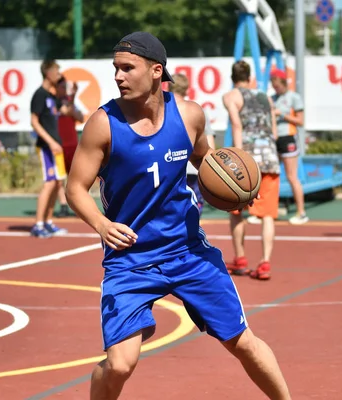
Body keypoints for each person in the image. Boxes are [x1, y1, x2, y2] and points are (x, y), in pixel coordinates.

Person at [66, 32, 291, 400]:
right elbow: (75, 187)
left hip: (187, 251)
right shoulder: (103, 124)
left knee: (243, 342)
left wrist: (237, 190)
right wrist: (102, 224)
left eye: (127, 68)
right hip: (131, 258)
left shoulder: (189, 115)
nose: (118, 77)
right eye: (115, 69)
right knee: (121, 364)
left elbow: (207, 162)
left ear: (157, 71)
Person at [222, 60, 281, 280]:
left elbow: (236, 125)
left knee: (237, 210)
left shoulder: (231, 96)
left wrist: (238, 157)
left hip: (248, 159)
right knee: (267, 215)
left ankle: (241, 257)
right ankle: (265, 262)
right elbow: (273, 131)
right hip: (269, 156)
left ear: (232, 77)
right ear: (250, 77)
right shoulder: (265, 97)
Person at [30, 59, 68, 237]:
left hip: (56, 147)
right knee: (50, 182)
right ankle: (38, 225)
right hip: (47, 147)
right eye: (57, 72)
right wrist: (50, 142)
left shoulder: (52, 97)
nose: (59, 76)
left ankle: (48, 222)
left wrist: (72, 96)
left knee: (58, 182)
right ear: (48, 73)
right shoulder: (39, 95)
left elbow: (66, 110)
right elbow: (34, 121)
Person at [167, 73, 216, 215]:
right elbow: (208, 144)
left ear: (168, 87)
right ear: (187, 90)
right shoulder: (196, 110)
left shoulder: (159, 109)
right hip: (193, 169)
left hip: (169, 169)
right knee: (193, 209)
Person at [270, 69, 308, 225]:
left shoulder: (294, 97)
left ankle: (301, 212)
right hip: (274, 138)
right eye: (274, 85)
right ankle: (268, 211)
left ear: (284, 82)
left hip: (288, 138)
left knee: (292, 176)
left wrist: (282, 114)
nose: (276, 88)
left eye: (277, 85)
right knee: (272, 175)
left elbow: (300, 121)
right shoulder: (272, 98)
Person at [55, 76, 85, 218]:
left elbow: (79, 117)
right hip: (58, 145)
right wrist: (72, 97)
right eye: (60, 86)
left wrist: (72, 98)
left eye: (64, 86)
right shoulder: (53, 102)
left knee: (75, 176)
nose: (63, 89)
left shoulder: (69, 102)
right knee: (59, 178)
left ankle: (80, 205)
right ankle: (63, 205)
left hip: (72, 145)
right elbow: (64, 111)